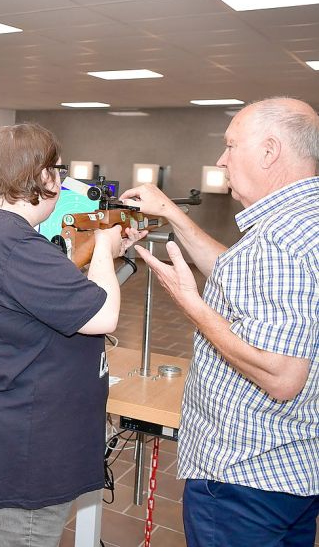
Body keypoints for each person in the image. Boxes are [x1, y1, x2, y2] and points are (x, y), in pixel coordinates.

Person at [0, 123, 144, 547]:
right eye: (57, 172)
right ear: (45, 177)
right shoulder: (17, 245)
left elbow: (44, 294)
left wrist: (105, 249)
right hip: (18, 452)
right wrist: (102, 247)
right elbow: (102, 315)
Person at [121, 97, 319, 547]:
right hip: (295, 469)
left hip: (244, 477)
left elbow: (283, 375)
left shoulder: (280, 242)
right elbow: (243, 275)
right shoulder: (301, 221)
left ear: (269, 151)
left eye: (231, 146)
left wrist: (193, 306)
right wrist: (171, 212)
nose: (221, 159)